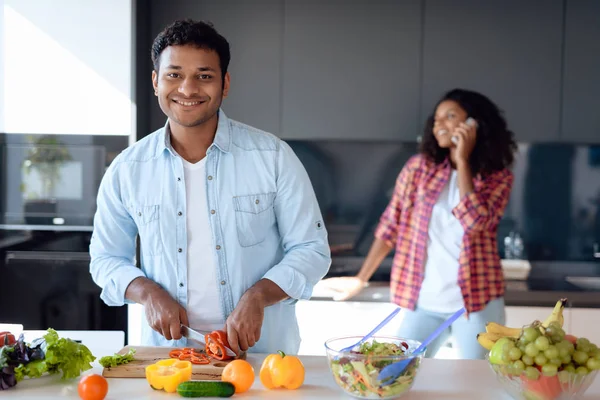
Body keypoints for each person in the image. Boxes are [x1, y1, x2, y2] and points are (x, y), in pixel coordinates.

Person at [89, 19, 331, 355]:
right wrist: (147, 292)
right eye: (174, 75)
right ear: (156, 81)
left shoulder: (273, 157)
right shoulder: (127, 170)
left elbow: (311, 249)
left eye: (204, 76)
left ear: (225, 83)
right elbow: (105, 259)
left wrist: (258, 295)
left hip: (263, 357)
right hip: (169, 359)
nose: (188, 89)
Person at [321, 88, 517, 359]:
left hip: (476, 302)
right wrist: (360, 278)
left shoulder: (498, 177)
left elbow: (476, 223)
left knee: (479, 382)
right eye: (437, 118)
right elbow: (391, 225)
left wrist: (462, 161)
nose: (440, 124)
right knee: (397, 372)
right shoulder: (418, 168)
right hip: (423, 302)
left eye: (450, 116)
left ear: (474, 124)